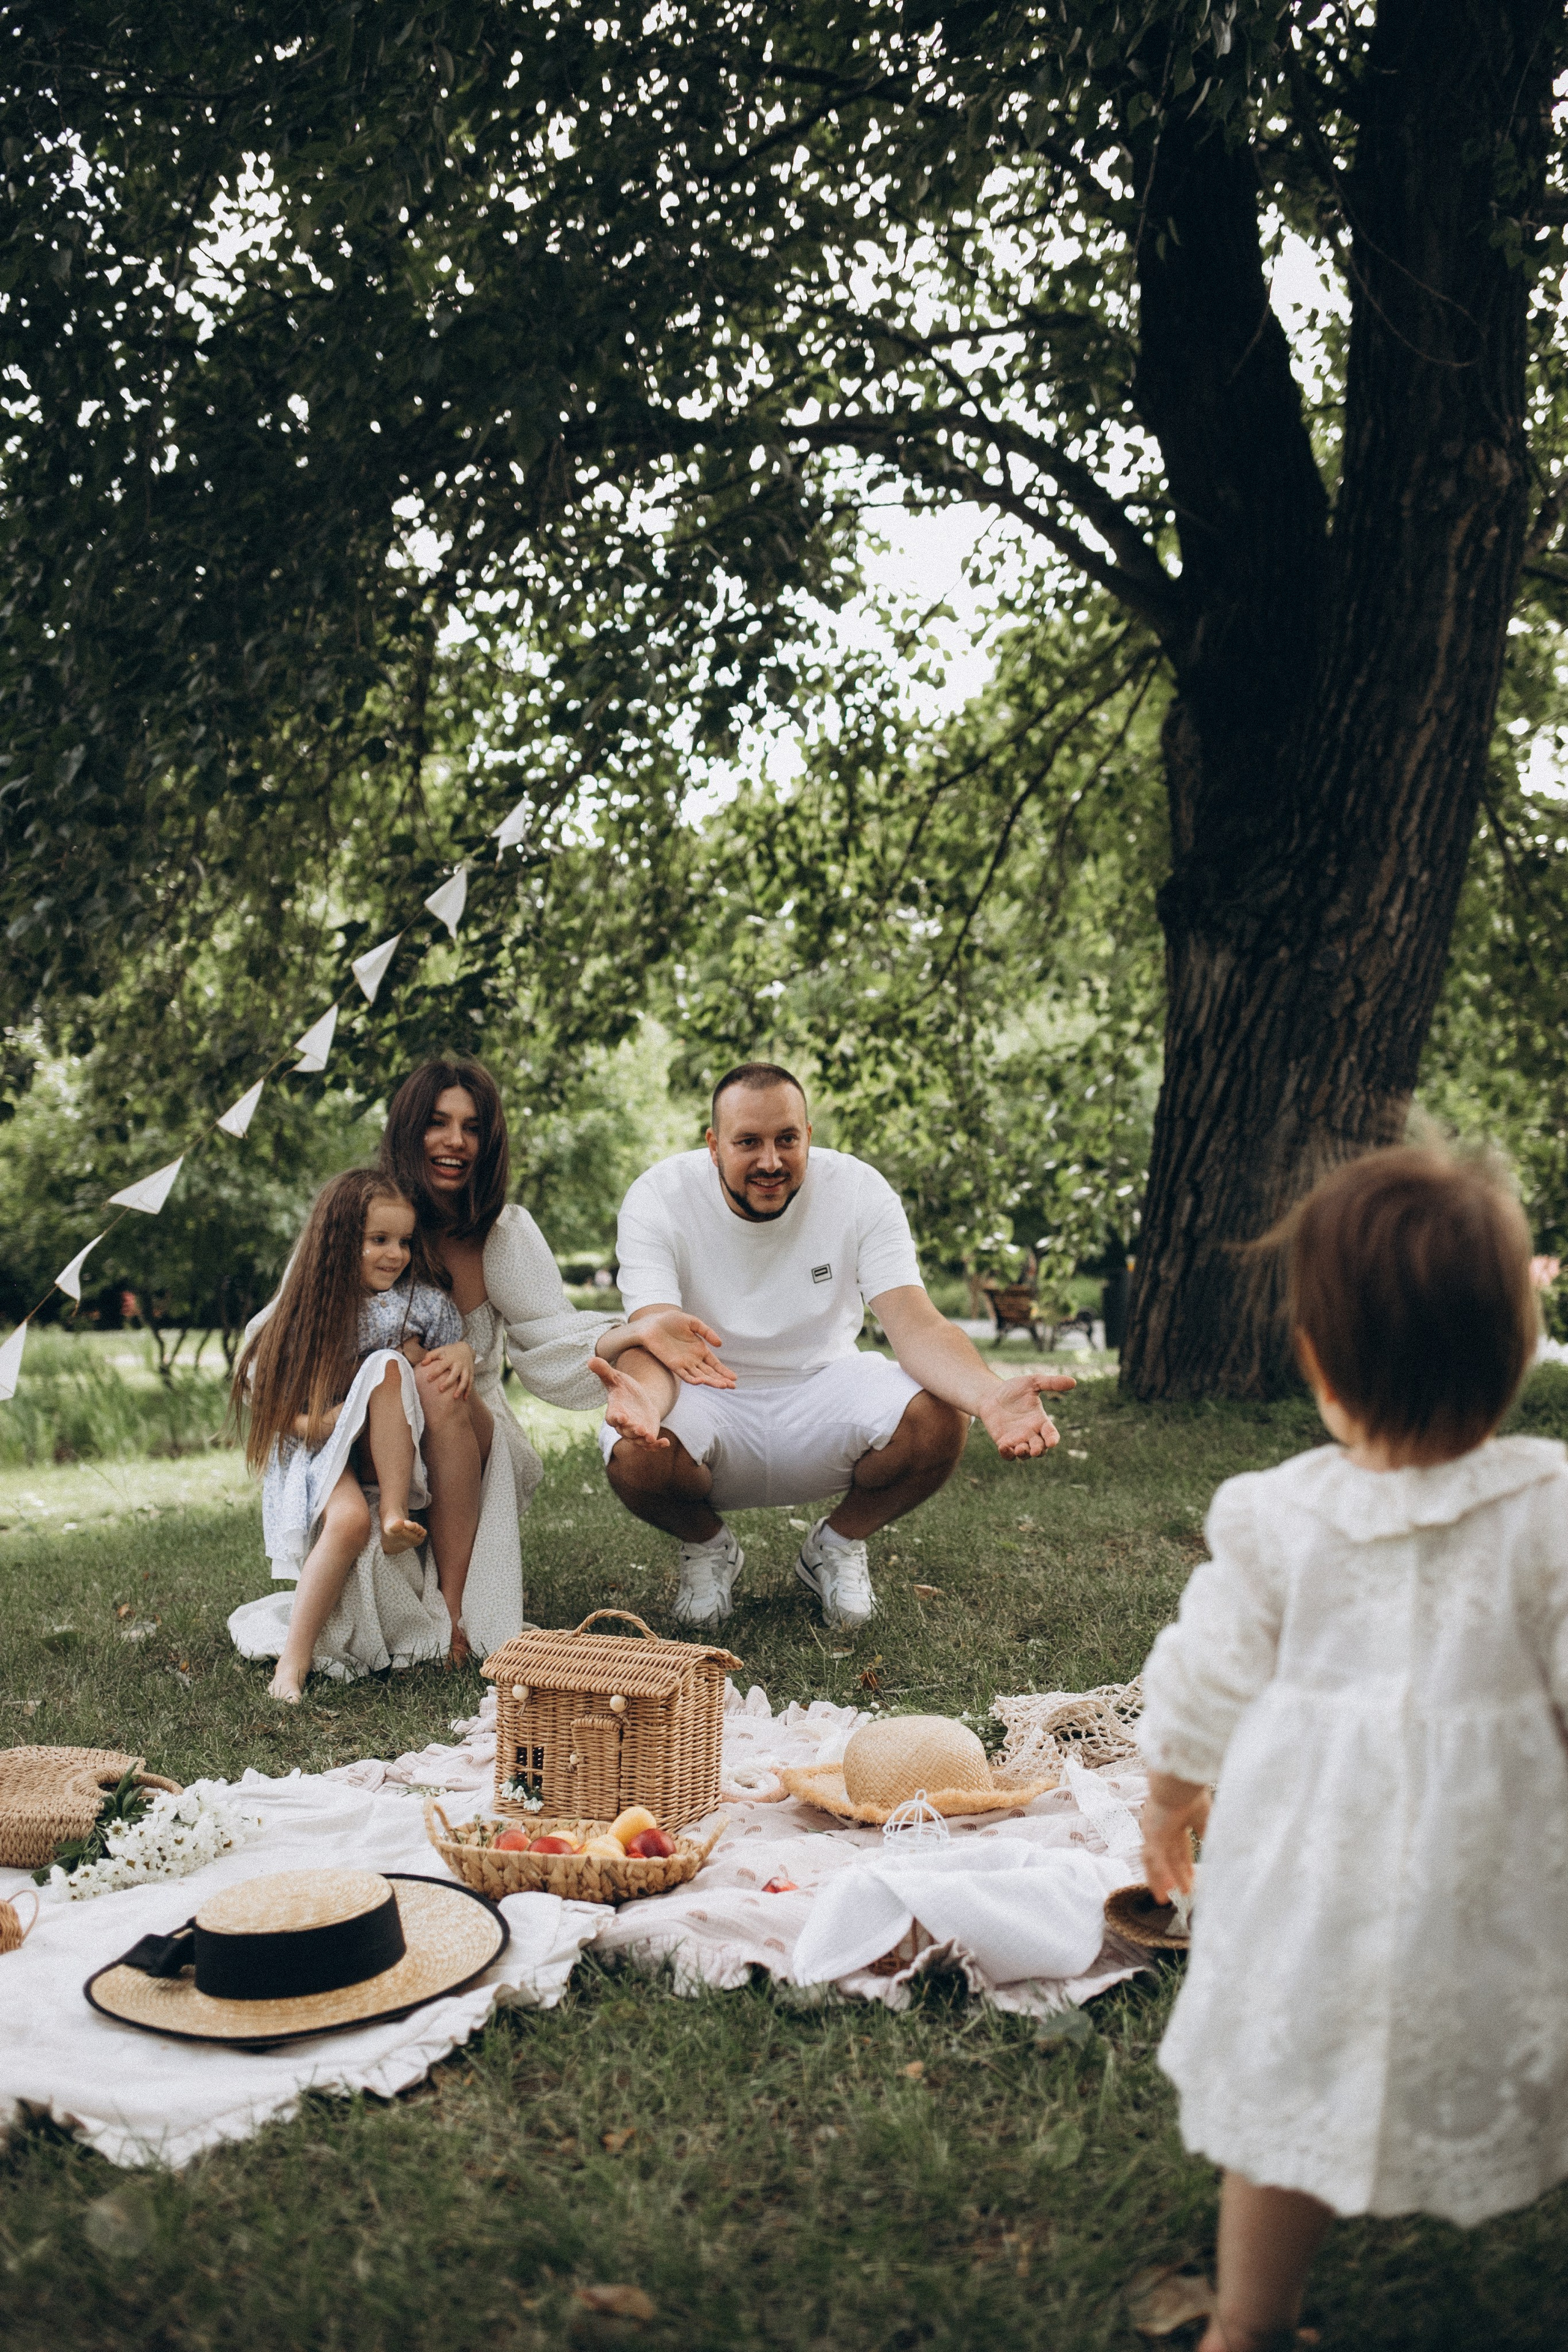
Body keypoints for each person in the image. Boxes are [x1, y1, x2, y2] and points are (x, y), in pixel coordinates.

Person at [1137, 1144, 1568, 2352]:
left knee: (1286, 2100)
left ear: (1318, 1361)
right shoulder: (1549, 1508)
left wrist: (1163, 1800)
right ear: (1515, 1351)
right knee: (1520, 2042)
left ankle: (1247, 2327)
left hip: (1308, 1887)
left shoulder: (1275, 1514)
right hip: (1494, 1883)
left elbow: (1201, 1684)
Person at [229, 1056, 725, 1687]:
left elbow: (551, 1334)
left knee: (437, 1381)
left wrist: (635, 1331)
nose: (455, 1141)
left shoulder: (503, 1234)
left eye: (472, 1127)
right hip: (357, 1424)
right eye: (438, 1122)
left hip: (470, 1421)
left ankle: (457, 1613)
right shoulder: (359, 1215)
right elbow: (280, 1334)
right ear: (408, 1131)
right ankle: (358, 1608)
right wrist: (324, 1414)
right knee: (408, 1381)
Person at [597, 1060, 1074, 1628]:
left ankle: (837, 1544)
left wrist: (990, 1396)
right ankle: (708, 1547)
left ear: (808, 1137)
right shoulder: (658, 1195)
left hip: (823, 1388)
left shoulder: (858, 1189)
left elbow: (916, 1325)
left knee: (943, 1415)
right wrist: (646, 1406)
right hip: (707, 1391)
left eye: (787, 1140)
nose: (770, 1161)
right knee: (632, 1451)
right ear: (714, 1146)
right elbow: (654, 1338)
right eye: (748, 1142)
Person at [231, 1169, 473, 1703]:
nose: (396, 1254)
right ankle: (290, 1668)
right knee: (345, 1522)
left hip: (378, 1443)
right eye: (379, 1240)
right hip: (315, 1448)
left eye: (405, 1241)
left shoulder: (420, 1304)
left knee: (389, 1367)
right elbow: (267, 1397)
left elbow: (452, 1350)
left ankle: (393, 1513)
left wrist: (463, 1353)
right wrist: (318, 1422)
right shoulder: (304, 1313)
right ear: (341, 1241)